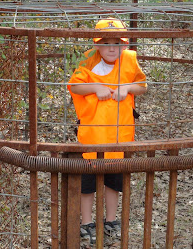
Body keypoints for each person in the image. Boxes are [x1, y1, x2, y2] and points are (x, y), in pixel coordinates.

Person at [68, 18, 147, 244]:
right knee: (88, 183)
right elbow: (74, 86)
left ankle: (111, 221)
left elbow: (143, 86)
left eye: (118, 43)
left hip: (118, 136)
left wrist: (127, 87)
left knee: (114, 181)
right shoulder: (88, 60)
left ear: (124, 44)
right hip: (92, 136)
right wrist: (95, 87)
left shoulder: (129, 60)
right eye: (106, 43)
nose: (112, 48)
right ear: (96, 44)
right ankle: (86, 222)